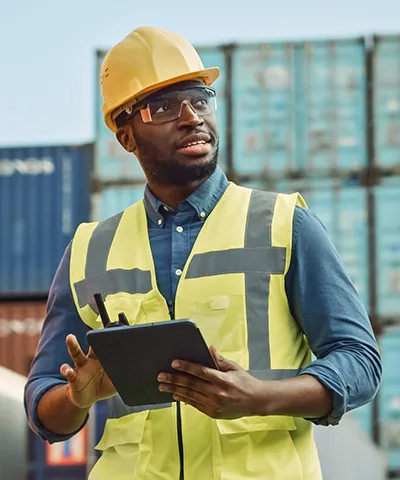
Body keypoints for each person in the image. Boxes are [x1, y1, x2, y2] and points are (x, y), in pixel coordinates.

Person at [25, 26, 382, 480]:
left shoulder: (286, 225)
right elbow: (44, 407)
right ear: (126, 136)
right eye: (164, 106)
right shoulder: (88, 250)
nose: (192, 116)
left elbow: (359, 360)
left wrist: (259, 397)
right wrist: (78, 399)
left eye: (200, 98)